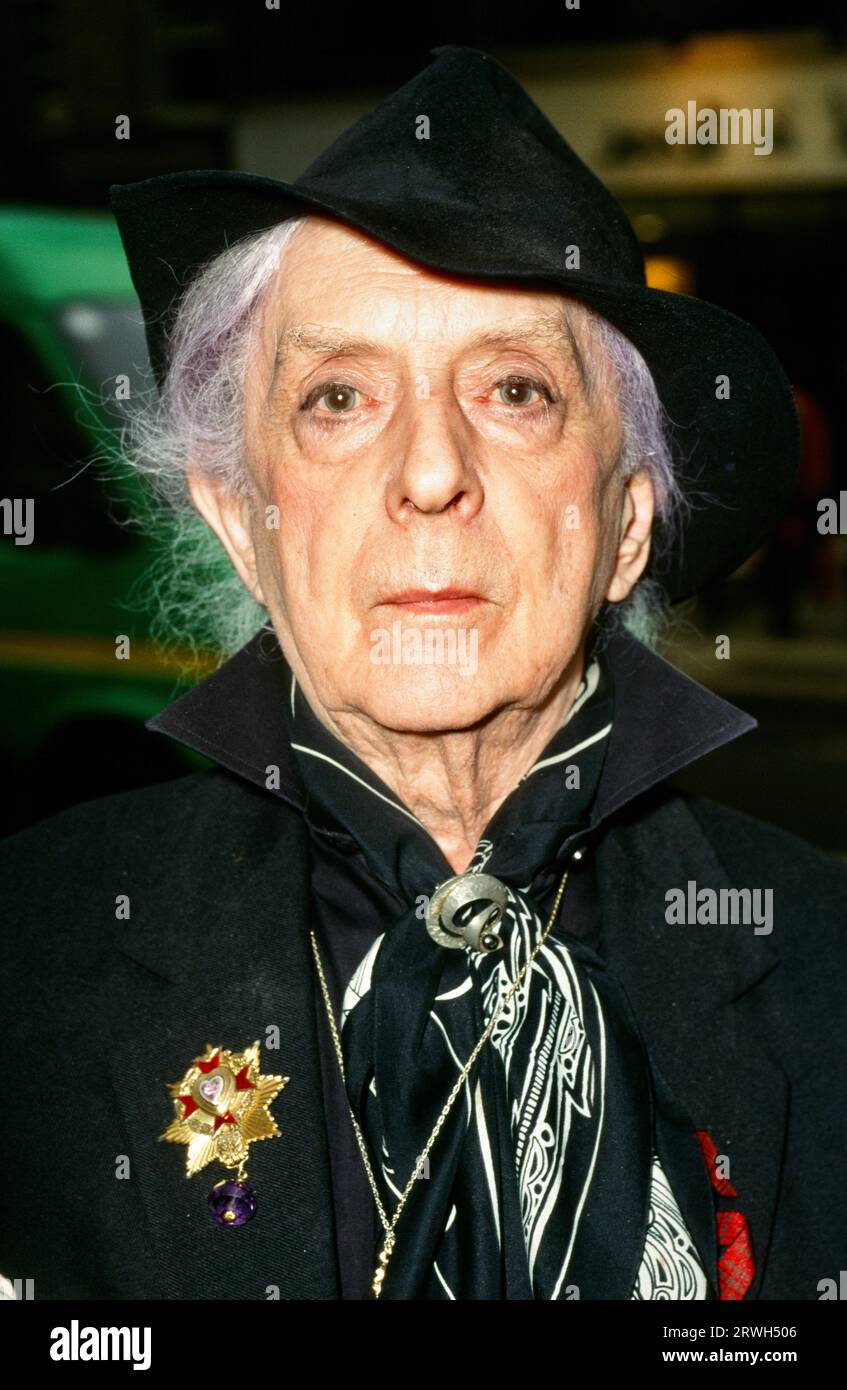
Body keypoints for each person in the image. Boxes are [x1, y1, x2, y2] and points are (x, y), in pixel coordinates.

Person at [1, 44, 845, 1302]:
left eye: (514, 390)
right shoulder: (32, 946)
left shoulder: (824, 957)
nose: (429, 470)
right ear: (245, 519)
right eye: (338, 397)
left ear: (622, 524)